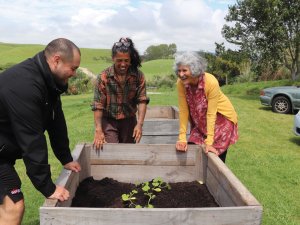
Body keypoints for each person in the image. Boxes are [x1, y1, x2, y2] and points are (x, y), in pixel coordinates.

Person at [0, 38, 82, 225]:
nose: (75, 74)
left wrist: (65, 157)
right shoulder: (25, 86)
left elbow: (56, 121)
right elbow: (32, 140)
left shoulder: (49, 82)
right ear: (56, 60)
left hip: (3, 151)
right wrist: (48, 187)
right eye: (73, 68)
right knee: (13, 205)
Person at [174, 51, 238, 162]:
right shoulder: (181, 83)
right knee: (192, 148)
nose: (181, 74)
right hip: (201, 122)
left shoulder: (210, 81)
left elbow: (211, 113)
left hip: (221, 121)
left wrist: (209, 142)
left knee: (216, 159)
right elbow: (183, 110)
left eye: (184, 70)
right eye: (179, 70)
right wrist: (182, 137)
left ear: (194, 70)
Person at [92, 37, 149, 150]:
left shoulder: (138, 76)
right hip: (109, 121)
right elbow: (98, 105)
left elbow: (142, 100)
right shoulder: (104, 77)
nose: (123, 64)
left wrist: (140, 125)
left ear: (130, 60)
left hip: (129, 121)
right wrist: (98, 129)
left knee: (128, 152)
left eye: (126, 60)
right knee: (112, 150)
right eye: (119, 60)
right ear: (113, 58)